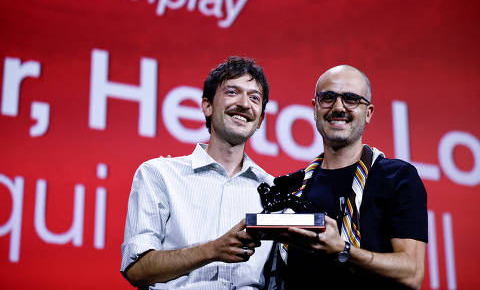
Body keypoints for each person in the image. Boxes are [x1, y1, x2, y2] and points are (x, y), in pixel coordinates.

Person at [120, 56, 275, 289]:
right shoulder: (159, 175)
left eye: (254, 97)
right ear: (207, 106)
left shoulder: (275, 191)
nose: (244, 104)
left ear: (261, 118)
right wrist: (212, 250)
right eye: (232, 92)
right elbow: (137, 269)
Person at [272, 65, 428, 289]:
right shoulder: (291, 188)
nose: (338, 107)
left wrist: (344, 250)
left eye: (351, 99)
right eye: (328, 98)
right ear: (314, 108)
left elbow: (412, 273)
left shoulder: (397, 177)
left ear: (368, 113)